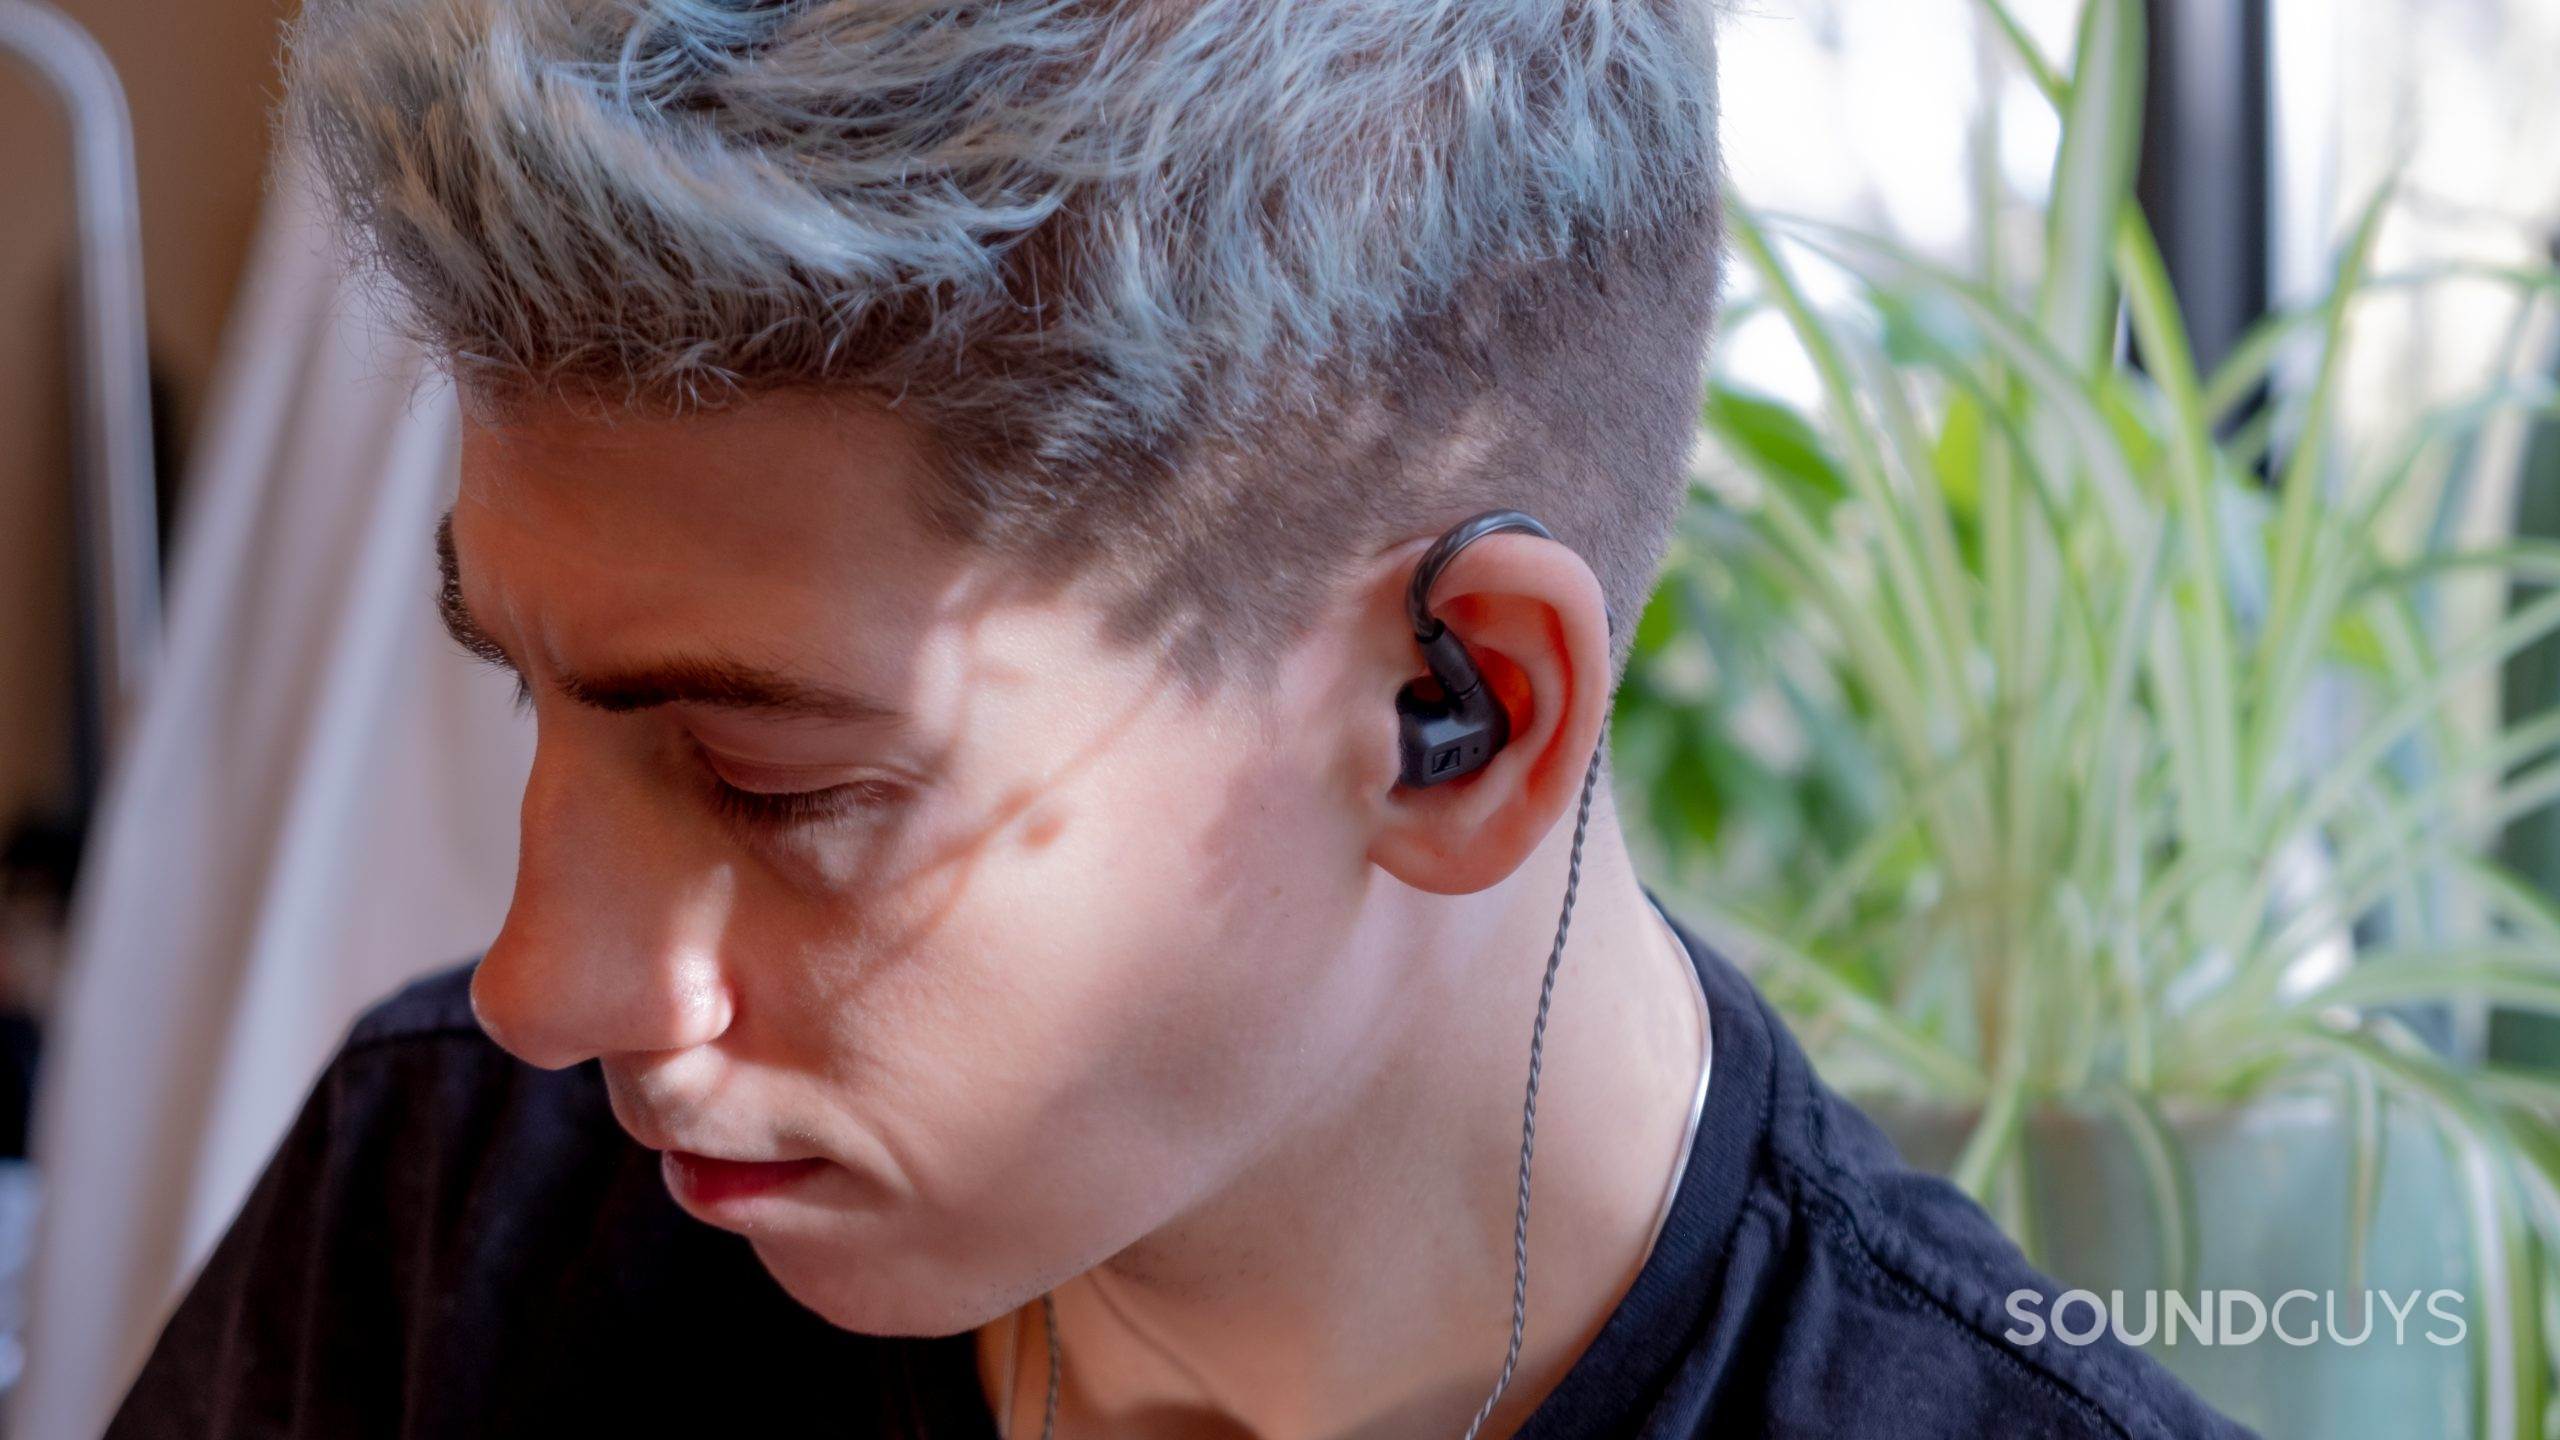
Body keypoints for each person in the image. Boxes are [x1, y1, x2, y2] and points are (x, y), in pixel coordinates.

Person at [107, 1, 2251, 1436]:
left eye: (783, 785)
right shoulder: (439, 1239)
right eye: (527, 689)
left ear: (1458, 713)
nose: (536, 988)